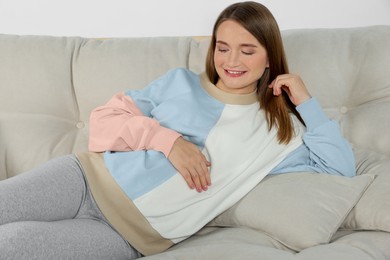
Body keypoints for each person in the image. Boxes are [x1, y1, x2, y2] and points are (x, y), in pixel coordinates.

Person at [0, 1, 356, 259]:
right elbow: (104, 120)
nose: (231, 62)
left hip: (128, 237)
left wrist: (306, 102)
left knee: (11, 245)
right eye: (223, 47)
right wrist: (168, 141)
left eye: (247, 51)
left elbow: (340, 168)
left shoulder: (282, 133)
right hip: (83, 180)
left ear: (269, 57)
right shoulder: (181, 83)